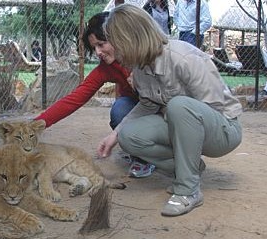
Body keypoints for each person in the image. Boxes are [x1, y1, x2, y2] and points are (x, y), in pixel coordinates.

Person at [98, 4, 242, 216]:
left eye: (115, 42)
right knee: (129, 137)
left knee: (178, 105)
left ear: (131, 38)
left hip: (223, 130)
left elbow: (214, 107)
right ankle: (188, 168)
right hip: (185, 124)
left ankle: (188, 189)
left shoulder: (183, 57)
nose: (112, 48)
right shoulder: (140, 70)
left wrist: (170, 111)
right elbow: (147, 105)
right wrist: (115, 134)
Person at [34, 12, 156, 178]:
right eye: (94, 48)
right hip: (136, 106)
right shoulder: (106, 68)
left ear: (119, 37)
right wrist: (35, 125)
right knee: (119, 109)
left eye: (101, 44)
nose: (98, 52)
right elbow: (74, 99)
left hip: (158, 105)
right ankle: (141, 157)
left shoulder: (145, 54)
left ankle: (164, 150)